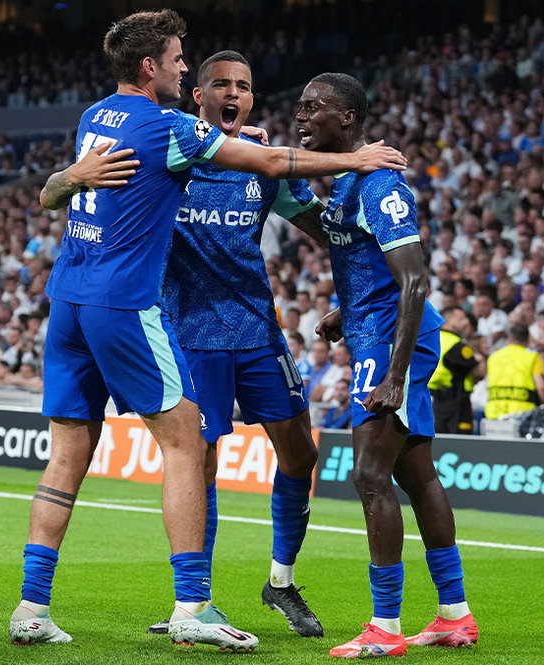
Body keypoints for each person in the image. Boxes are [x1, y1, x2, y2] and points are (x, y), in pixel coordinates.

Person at [10, 10, 405, 651]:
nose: (184, 66)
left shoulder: (95, 118)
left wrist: (66, 179)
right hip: (136, 308)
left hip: (76, 299)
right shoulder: (172, 131)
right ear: (156, 69)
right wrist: (353, 158)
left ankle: (32, 608)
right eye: (178, 60)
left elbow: (54, 192)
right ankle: (192, 604)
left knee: (69, 454)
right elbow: (270, 160)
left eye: (242, 85)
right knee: (188, 447)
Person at [143, 50, 325, 637]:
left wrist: (366, 283)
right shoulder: (170, 159)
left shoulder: (264, 167)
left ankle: (280, 582)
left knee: (301, 454)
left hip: (256, 331)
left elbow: (326, 231)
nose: (233, 93)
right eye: (220, 84)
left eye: (243, 87)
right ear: (197, 97)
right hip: (191, 334)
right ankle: (194, 603)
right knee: (199, 464)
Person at [303, 72, 476, 658]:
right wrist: (344, 310)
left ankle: (385, 626)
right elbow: (370, 266)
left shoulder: (379, 184)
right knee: (416, 475)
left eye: (314, 108)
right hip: (374, 331)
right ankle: (454, 616)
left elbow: (415, 280)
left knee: (369, 476)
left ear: (347, 118)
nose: (302, 117)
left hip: (390, 343)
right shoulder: (349, 181)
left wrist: (395, 375)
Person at [429, 308, 483, 434]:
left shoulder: (432, 339)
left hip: (432, 398)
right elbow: (479, 371)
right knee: (460, 441)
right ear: (447, 321)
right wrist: (478, 357)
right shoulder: (457, 345)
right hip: (455, 401)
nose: (466, 323)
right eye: (461, 319)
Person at [485, 323, 544, 420]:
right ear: (528, 339)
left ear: (509, 339)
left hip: (494, 414)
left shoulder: (493, 357)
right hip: (522, 416)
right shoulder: (532, 357)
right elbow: (542, 388)